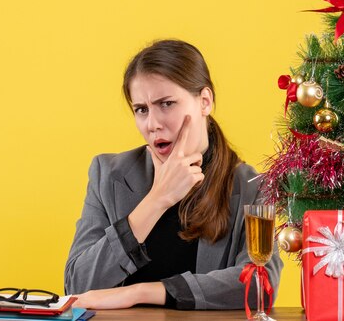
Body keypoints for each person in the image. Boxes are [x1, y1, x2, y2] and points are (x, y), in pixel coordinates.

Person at [64, 39, 282, 310]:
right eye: (141, 110)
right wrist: (156, 201)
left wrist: (141, 292)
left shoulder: (252, 186)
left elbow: (260, 283)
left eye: (166, 104)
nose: (153, 124)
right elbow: (77, 284)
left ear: (204, 101)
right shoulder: (108, 174)